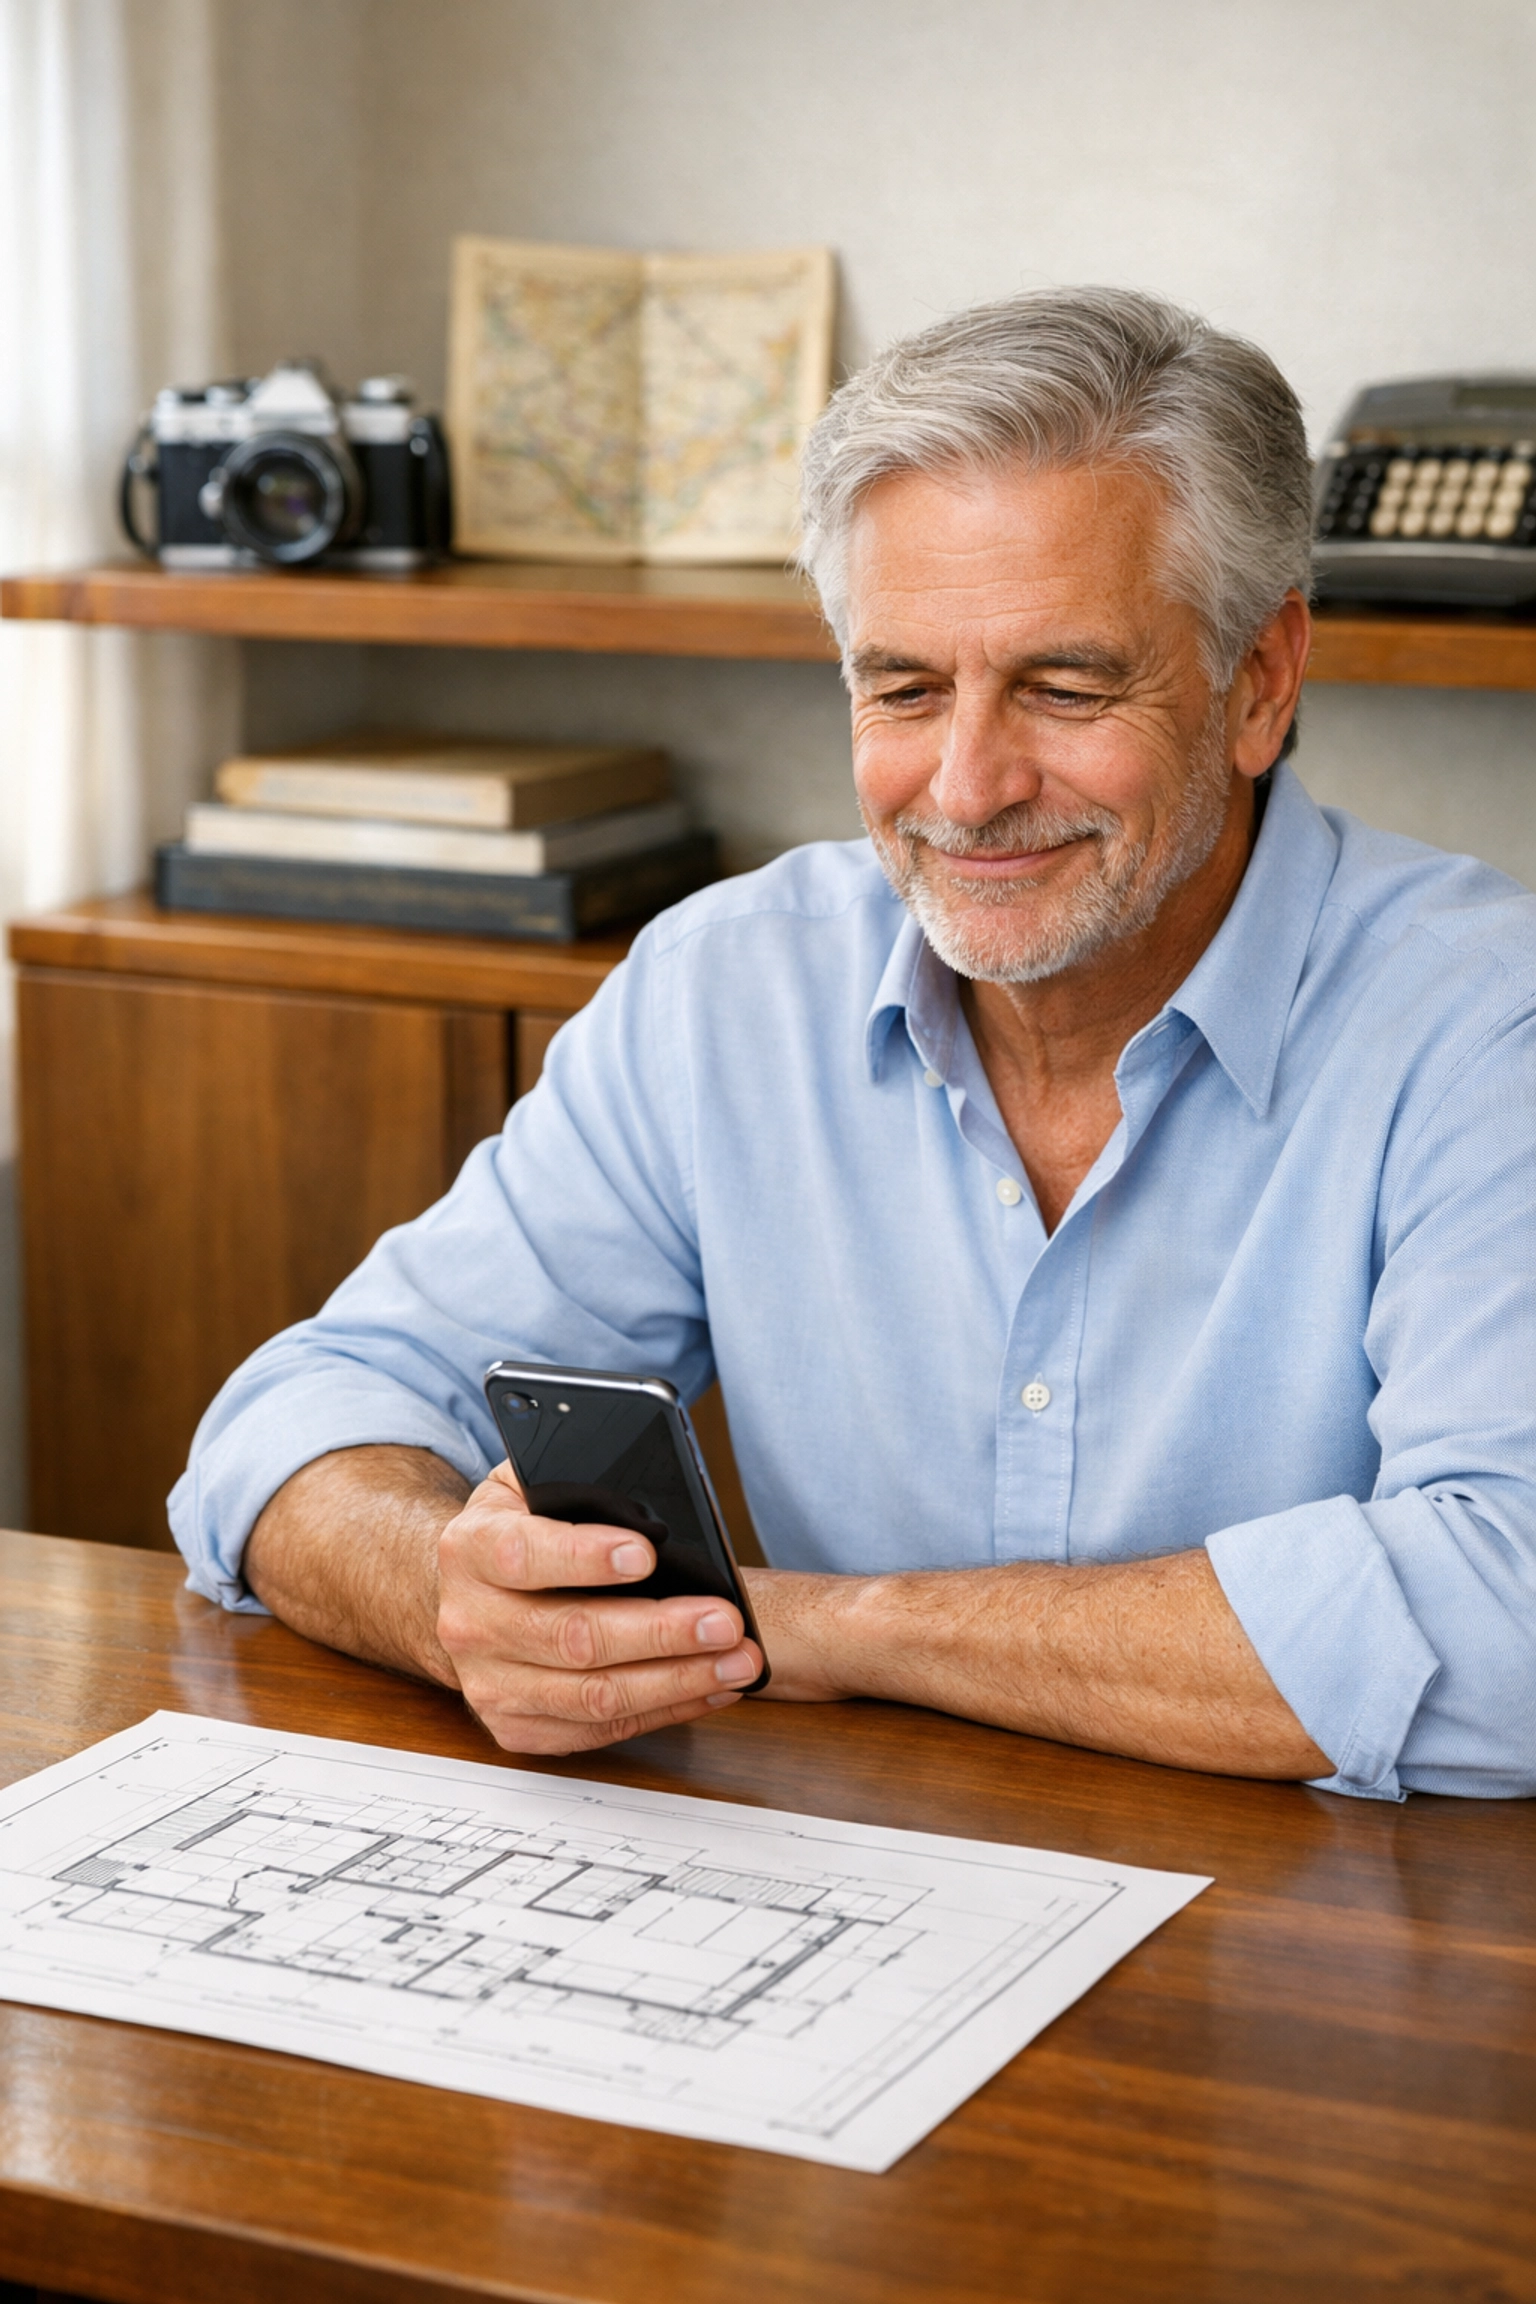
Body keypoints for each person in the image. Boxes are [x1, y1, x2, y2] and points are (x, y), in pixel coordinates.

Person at [171, 287, 1536, 1802]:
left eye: (1066, 685)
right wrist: (453, 1588)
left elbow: (1511, 1620)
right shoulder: (725, 988)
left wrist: (837, 1629)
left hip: (1337, 1960)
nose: (964, 786)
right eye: (901, 688)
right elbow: (299, 1423)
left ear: (1260, 682)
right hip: (849, 1928)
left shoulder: (1486, 1030)